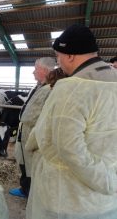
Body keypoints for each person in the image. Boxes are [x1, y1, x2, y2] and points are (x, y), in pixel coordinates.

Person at [26, 24, 117, 219]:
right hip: (106, 203)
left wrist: (106, 181)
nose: (58, 62)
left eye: (58, 56)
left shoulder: (70, 88)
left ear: (70, 55)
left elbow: (68, 146)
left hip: (68, 199)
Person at [9, 57, 56, 198]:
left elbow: (38, 114)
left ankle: (28, 191)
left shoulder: (49, 89)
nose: (33, 72)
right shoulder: (40, 86)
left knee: (30, 162)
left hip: (33, 131)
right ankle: (26, 188)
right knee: (23, 160)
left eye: (36, 69)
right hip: (26, 130)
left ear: (45, 71)